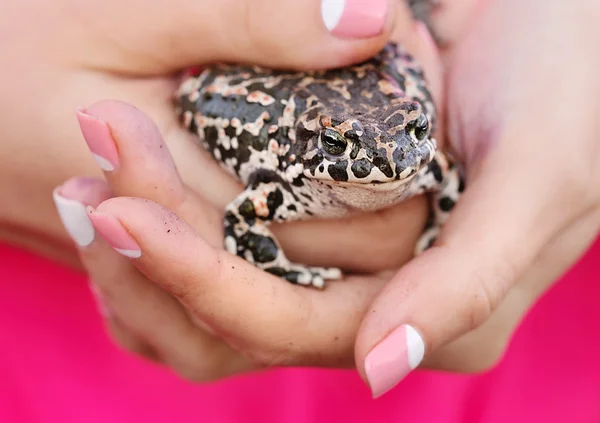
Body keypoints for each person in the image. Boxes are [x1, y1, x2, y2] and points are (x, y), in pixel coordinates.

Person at [1, 0, 598, 421]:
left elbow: (438, 173)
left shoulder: (426, 162)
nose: (390, 163)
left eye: (415, 134)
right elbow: (243, 218)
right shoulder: (281, 185)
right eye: (342, 149)